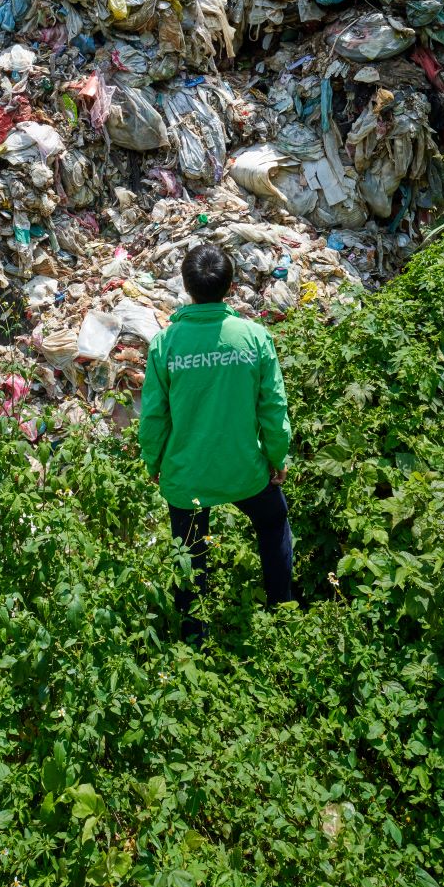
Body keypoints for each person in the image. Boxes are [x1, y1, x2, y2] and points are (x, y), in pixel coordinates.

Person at [139, 241, 292, 643]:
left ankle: (194, 637)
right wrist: (277, 458)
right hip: (245, 471)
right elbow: (272, 409)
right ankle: (282, 611)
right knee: (273, 522)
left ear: (187, 288)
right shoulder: (254, 337)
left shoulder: (165, 345)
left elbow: (154, 418)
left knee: (190, 553)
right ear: (231, 286)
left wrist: (154, 465)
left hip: (187, 477)